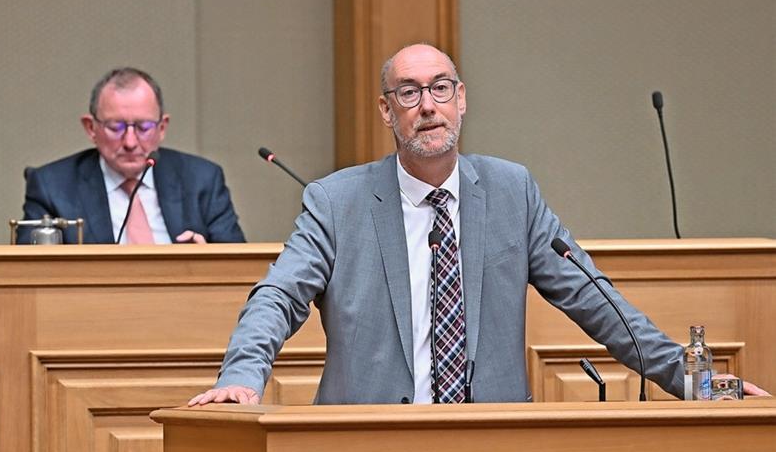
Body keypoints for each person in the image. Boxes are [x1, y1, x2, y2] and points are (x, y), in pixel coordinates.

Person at [189, 44, 767, 406]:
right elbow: (278, 295)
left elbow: (597, 301)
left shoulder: (512, 191)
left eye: (440, 88)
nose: (428, 106)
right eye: (409, 93)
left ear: (461, 99)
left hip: (491, 439)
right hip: (364, 443)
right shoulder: (336, 201)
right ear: (387, 111)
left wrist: (692, 381)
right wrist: (243, 374)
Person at [18, 67, 245, 244]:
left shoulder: (202, 179)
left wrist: (206, 261)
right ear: (90, 128)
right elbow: (28, 276)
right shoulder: (52, 186)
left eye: (143, 127)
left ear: (162, 127)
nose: (129, 142)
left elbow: (239, 271)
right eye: (115, 127)